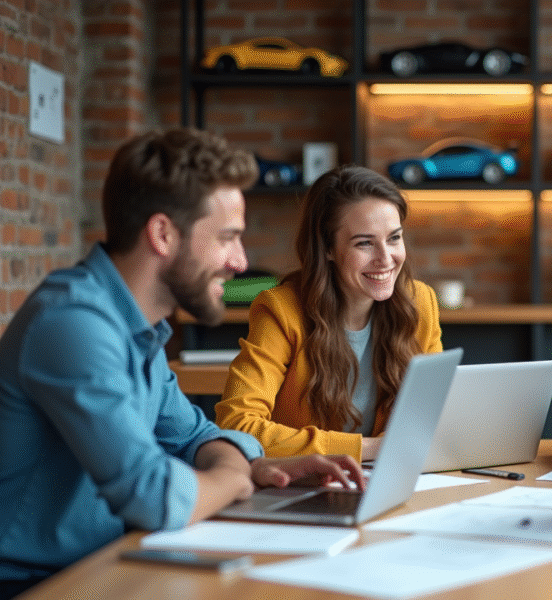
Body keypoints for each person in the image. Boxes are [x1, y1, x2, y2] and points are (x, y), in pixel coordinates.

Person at [0, 129, 365, 599]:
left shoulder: (140, 328)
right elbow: (152, 496)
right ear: (163, 234)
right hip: (40, 585)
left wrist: (245, 467)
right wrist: (232, 478)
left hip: (119, 562)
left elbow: (197, 436)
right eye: (228, 238)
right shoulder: (72, 325)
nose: (241, 261)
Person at [215, 165, 442, 462]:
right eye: (365, 243)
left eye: (394, 238)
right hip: (307, 486)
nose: (386, 259)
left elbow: (435, 415)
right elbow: (237, 425)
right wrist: (371, 449)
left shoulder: (419, 302)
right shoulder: (282, 310)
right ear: (328, 249)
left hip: (393, 479)